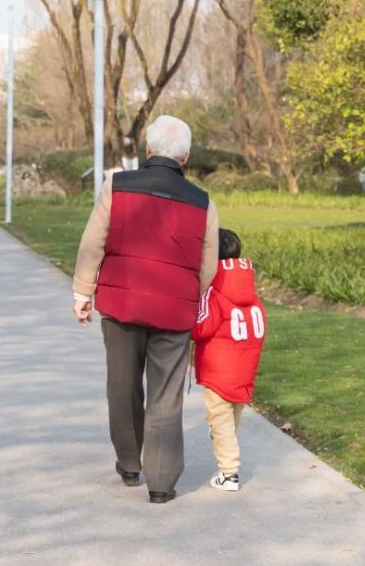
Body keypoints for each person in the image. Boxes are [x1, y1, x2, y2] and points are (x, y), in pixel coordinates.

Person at [71, 115, 219, 504]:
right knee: (166, 395)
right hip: (174, 312)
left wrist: (83, 292)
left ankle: (129, 463)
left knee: (121, 385)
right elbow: (209, 266)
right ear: (185, 157)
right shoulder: (203, 203)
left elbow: (93, 243)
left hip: (121, 305)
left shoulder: (117, 187)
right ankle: (162, 482)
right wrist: (189, 293)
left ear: (148, 150)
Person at [191, 228, 266, 492]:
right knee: (231, 418)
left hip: (218, 370)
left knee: (219, 420)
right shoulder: (253, 296)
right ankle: (226, 452)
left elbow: (200, 328)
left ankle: (229, 472)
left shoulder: (214, 293)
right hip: (244, 370)